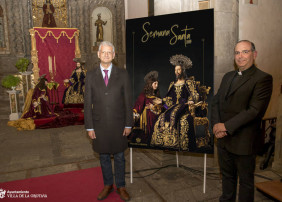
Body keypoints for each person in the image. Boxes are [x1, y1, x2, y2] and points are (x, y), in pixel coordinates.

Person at [211, 40, 273, 202]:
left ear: (254, 54)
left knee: (245, 183)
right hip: (223, 139)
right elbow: (216, 101)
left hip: (244, 141)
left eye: (245, 52)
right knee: (226, 178)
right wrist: (216, 125)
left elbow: (254, 110)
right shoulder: (228, 76)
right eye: (237, 53)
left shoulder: (263, 78)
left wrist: (225, 126)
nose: (240, 56)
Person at [84, 41, 132, 201]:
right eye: (103, 52)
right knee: (103, 157)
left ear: (113, 55)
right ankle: (107, 185)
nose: (106, 55)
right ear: (98, 54)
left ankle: (121, 186)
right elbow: (87, 102)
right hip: (99, 125)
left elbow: (128, 101)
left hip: (119, 124)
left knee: (119, 156)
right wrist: (89, 127)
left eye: (109, 52)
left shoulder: (123, 74)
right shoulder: (90, 75)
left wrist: (128, 124)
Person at [150, 54, 199, 151]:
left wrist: (191, 100)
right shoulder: (172, 84)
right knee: (161, 117)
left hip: (184, 108)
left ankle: (179, 144)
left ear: (183, 70)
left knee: (183, 120)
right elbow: (169, 98)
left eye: (178, 70)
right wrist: (162, 101)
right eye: (175, 70)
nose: (176, 72)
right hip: (173, 107)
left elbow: (195, 95)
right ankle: (163, 142)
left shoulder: (189, 83)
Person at [129, 71, 162, 146]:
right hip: (146, 119)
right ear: (150, 84)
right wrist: (135, 112)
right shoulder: (144, 95)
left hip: (156, 117)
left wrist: (157, 106)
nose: (156, 85)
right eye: (155, 83)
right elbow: (138, 105)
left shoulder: (158, 96)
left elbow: (164, 106)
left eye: (157, 83)